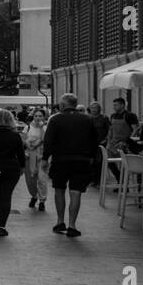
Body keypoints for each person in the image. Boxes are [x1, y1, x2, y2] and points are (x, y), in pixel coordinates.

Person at [42, 93, 100, 239]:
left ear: (63, 105)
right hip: (81, 161)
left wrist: (44, 158)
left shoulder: (55, 120)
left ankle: (60, 221)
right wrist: (92, 157)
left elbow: (49, 141)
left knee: (59, 190)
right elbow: (94, 140)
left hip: (60, 160)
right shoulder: (87, 119)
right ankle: (72, 225)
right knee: (76, 193)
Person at [23, 107, 49, 211]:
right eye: (36, 116)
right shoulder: (28, 127)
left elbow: (46, 140)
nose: (38, 118)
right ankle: (34, 196)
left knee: (42, 180)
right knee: (31, 180)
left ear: (44, 117)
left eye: (40, 116)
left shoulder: (46, 128)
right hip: (30, 156)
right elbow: (24, 139)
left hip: (42, 156)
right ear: (33, 116)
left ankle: (42, 200)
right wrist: (29, 144)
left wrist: (38, 143)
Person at [86, 101, 111, 187]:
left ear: (99, 109)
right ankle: (92, 180)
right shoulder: (88, 118)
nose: (93, 109)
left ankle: (100, 181)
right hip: (90, 144)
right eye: (92, 108)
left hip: (101, 143)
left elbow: (109, 130)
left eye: (95, 108)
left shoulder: (104, 118)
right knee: (91, 162)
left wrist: (106, 140)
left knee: (99, 162)